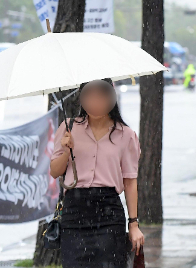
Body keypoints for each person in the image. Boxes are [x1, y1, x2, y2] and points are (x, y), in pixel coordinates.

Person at [50, 79, 144, 267]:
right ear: (82, 98)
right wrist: (67, 149)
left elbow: (130, 182)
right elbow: (54, 172)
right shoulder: (69, 128)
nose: (96, 100)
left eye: (101, 95)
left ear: (111, 97)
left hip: (109, 212)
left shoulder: (125, 135)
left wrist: (133, 224)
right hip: (74, 212)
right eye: (90, 95)